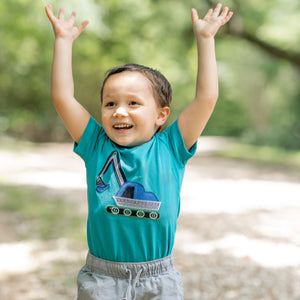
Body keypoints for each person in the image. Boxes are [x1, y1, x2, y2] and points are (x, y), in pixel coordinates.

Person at [45, 3, 233, 300]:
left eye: (133, 103)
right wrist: (63, 42)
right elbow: (62, 97)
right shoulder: (96, 144)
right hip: (103, 277)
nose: (120, 111)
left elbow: (206, 98)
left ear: (161, 115)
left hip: (159, 278)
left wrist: (206, 40)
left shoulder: (172, 146)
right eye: (110, 103)